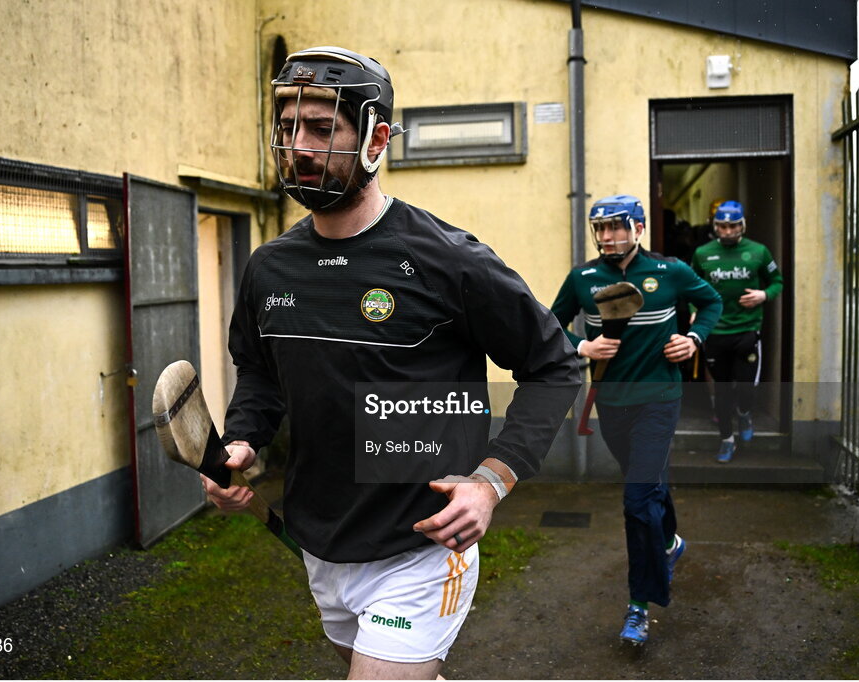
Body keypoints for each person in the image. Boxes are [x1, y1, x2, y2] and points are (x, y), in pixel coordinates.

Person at [202, 46, 581, 679]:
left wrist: (492, 481)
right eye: (289, 127)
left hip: (422, 548)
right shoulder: (268, 268)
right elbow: (261, 374)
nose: (299, 145)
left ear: (377, 139)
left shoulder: (448, 261)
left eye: (323, 129)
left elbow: (554, 365)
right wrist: (243, 442)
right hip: (319, 543)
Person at [550, 195, 721, 647]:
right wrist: (582, 348)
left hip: (660, 399)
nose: (608, 237)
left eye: (617, 227)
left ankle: (639, 605)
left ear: (640, 228)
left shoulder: (670, 273)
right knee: (649, 488)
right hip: (612, 403)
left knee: (636, 501)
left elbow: (712, 303)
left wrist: (694, 339)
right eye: (600, 229)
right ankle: (669, 544)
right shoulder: (583, 279)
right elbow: (548, 325)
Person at [691, 200, 783, 463]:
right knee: (722, 391)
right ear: (715, 226)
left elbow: (777, 282)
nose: (727, 231)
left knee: (745, 388)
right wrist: (695, 308)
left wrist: (764, 294)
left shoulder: (759, 251)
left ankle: (744, 414)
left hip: (747, 329)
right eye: (722, 226)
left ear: (742, 225)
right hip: (716, 332)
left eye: (732, 226)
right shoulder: (702, 253)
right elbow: (691, 285)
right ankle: (726, 440)